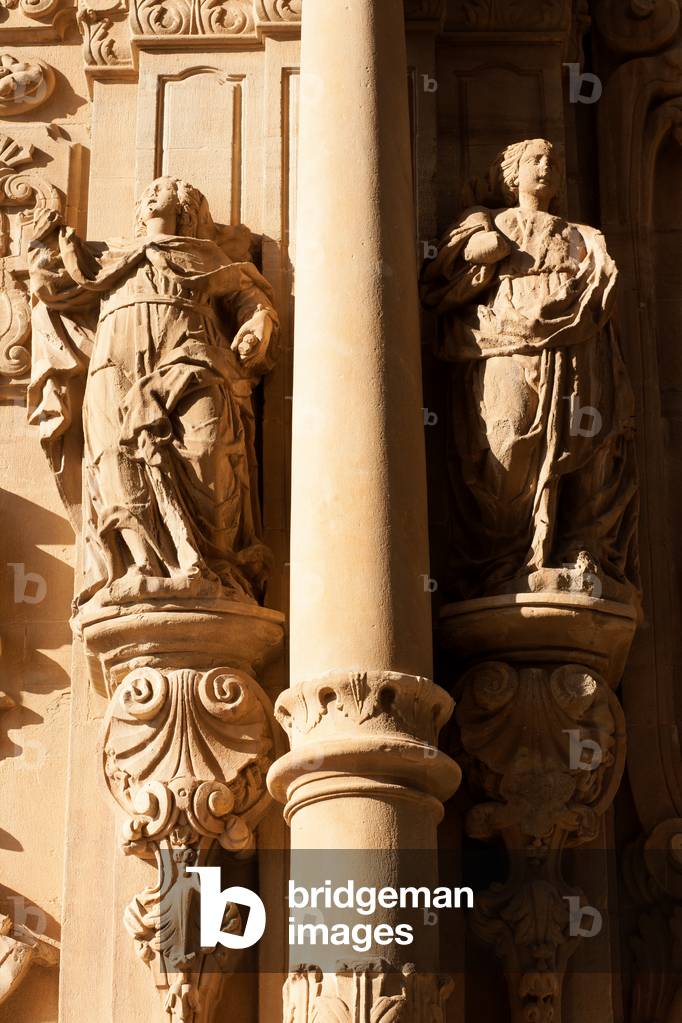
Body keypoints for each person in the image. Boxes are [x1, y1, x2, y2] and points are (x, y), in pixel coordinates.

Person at [28, 176, 279, 611]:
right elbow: (55, 288)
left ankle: (216, 566)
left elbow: (251, 299)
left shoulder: (206, 257)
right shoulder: (108, 258)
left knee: (206, 450)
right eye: (146, 193)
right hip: (113, 365)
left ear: (186, 207)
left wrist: (258, 326)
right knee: (116, 458)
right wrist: (43, 243)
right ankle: (139, 566)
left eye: (160, 191)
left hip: (189, 360)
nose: (149, 197)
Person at [421, 139, 638, 602]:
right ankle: (502, 561)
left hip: (575, 347)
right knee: (507, 444)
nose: (546, 167)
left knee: (579, 441)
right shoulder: (488, 220)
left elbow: (601, 292)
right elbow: (442, 281)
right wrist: (481, 252)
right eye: (535, 160)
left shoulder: (583, 235)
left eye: (553, 161)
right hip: (503, 341)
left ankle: (572, 548)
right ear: (512, 174)